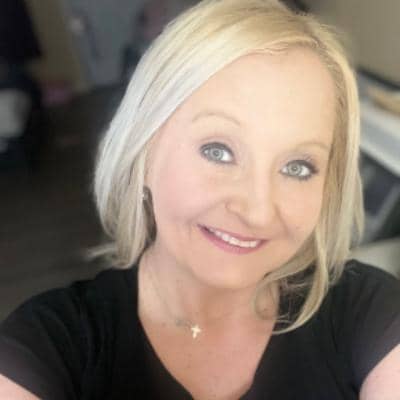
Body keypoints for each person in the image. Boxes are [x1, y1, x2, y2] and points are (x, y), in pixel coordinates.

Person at [1, 0, 399, 398]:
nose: (258, 212)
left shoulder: (369, 312)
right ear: (143, 151)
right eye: (217, 151)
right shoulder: (47, 347)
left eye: (297, 167)